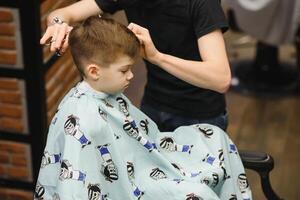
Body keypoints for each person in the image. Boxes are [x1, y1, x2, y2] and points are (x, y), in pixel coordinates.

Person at [35, 16, 251, 200]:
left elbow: (141, 145)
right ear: (94, 71)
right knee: (198, 192)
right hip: (131, 185)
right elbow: (75, 188)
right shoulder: (84, 119)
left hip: (144, 168)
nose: (131, 76)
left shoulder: (106, 97)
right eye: (124, 70)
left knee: (214, 137)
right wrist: (58, 23)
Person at [40, 0, 231, 132]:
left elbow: (220, 78)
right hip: (153, 103)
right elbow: (63, 14)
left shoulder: (202, 3)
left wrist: (157, 57)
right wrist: (58, 24)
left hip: (200, 115)